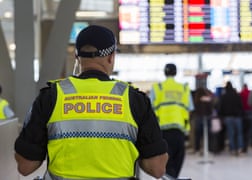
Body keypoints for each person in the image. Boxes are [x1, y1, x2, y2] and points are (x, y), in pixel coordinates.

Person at [14, 25, 168, 179]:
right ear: (111, 57)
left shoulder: (51, 97)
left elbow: (25, 166)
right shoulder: (134, 100)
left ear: (77, 57)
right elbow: (157, 168)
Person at [149, 63, 194, 178]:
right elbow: (190, 108)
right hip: (179, 131)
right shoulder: (184, 88)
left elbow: (149, 110)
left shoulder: (157, 88)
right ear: (175, 73)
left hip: (162, 132)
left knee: (167, 165)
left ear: (164, 72)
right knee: (177, 162)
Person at [218, 81, 244, 156]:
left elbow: (221, 107)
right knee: (239, 133)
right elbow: (240, 105)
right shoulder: (237, 95)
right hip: (237, 116)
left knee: (231, 134)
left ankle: (232, 149)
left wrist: (221, 116)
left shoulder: (224, 96)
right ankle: (240, 148)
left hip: (228, 117)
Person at [192, 86, 214, 154]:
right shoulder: (208, 99)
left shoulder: (195, 100)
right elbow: (210, 110)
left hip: (198, 118)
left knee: (198, 135)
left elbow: (193, 110)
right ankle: (207, 149)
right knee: (207, 135)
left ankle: (197, 149)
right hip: (207, 118)